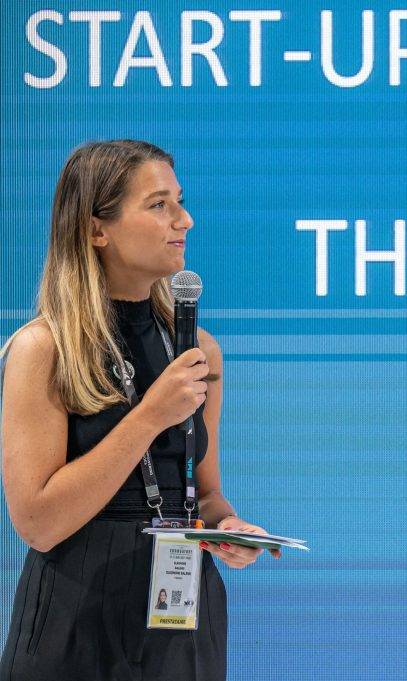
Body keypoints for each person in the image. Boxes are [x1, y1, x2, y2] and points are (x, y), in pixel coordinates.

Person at [0, 140, 279, 681]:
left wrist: (226, 526)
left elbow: (205, 492)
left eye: (180, 201)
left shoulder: (198, 349)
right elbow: (38, 523)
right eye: (158, 205)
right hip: (77, 611)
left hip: (182, 614)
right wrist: (150, 415)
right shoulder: (45, 348)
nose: (184, 220)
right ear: (96, 230)